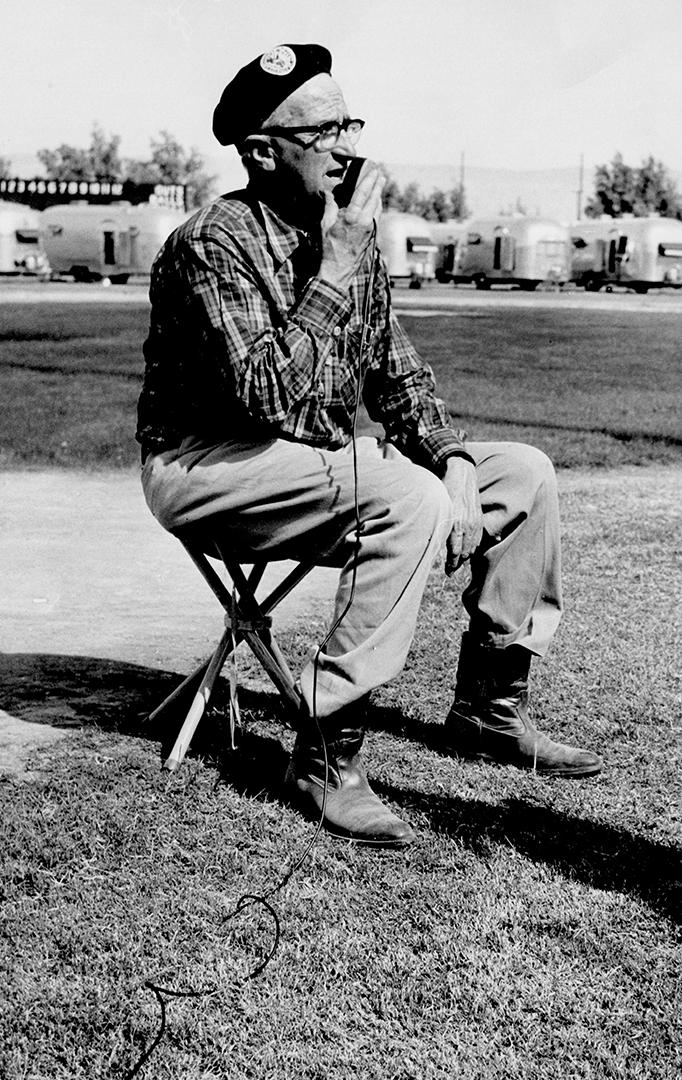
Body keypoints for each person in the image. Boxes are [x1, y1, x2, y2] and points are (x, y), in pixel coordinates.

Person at [136, 43, 601, 848]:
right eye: (325, 131)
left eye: (350, 123)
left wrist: (454, 460)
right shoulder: (213, 243)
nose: (349, 147)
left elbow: (398, 374)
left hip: (311, 466)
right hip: (205, 464)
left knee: (522, 474)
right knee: (401, 491)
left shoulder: (348, 232)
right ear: (262, 151)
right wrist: (337, 266)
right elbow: (271, 399)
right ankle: (325, 753)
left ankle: (487, 711)